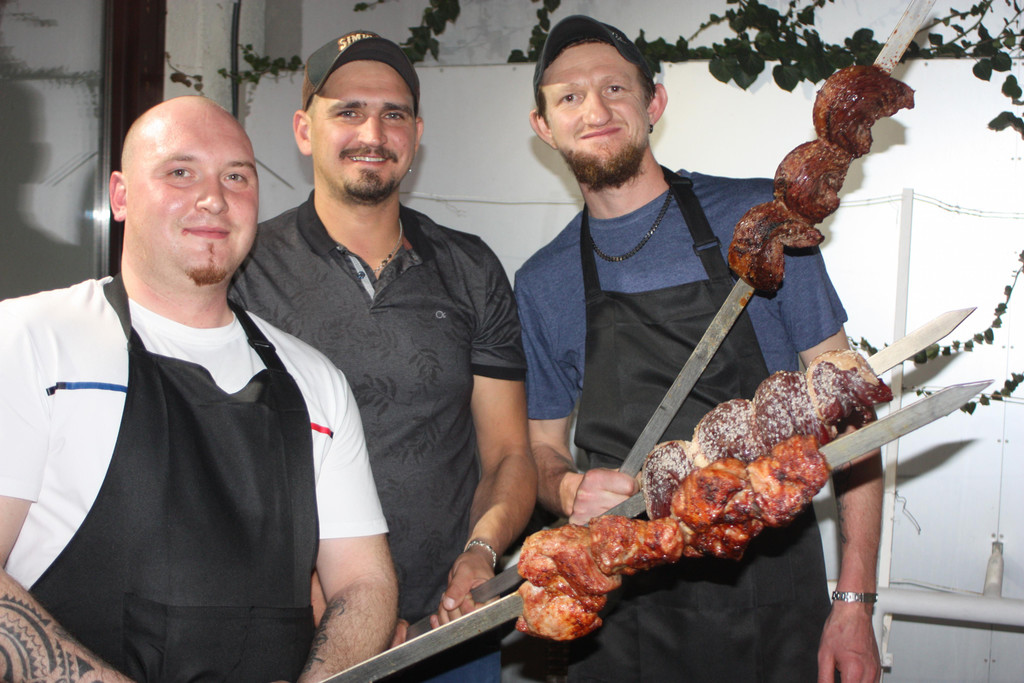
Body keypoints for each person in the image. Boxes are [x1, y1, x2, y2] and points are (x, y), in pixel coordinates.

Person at [514, 15, 883, 683]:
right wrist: (566, 486)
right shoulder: (543, 281)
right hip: (620, 616)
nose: (594, 110)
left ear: (653, 102)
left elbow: (852, 414)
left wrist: (854, 602)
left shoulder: (760, 222)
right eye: (569, 96)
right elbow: (540, 447)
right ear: (544, 126)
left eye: (615, 89)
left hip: (770, 599)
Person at [0, 96, 398, 682]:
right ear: (120, 196)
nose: (213, 198)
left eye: (236, 177)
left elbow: (364, 582)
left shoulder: (317, 382)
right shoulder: (31, 340)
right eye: (180, 172)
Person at [231, 32, 536, 681]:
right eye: (348, 110)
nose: (373, 132)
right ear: (305, 130)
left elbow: (510, 452)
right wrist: (341, 608)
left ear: (416, 134)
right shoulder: (246, 271)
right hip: (297, 634)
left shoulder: (470, 268)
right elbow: (224, 467)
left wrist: (481, 552)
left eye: (393, 113)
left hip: (449, 632)